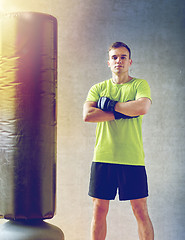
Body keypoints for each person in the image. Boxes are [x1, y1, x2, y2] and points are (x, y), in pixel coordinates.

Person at [83, 42, 154, 240]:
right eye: (115, 57)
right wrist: (124, 112)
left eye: (123, 57)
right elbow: (88, 114)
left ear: (129, 61)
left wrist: (111, 105)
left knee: (140, 211)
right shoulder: (98, 88)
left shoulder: (140, 85)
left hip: (131, 157)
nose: (119, 61)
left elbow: (142, 108)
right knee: (99, 210)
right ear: (109, 62)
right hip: (103, 156)